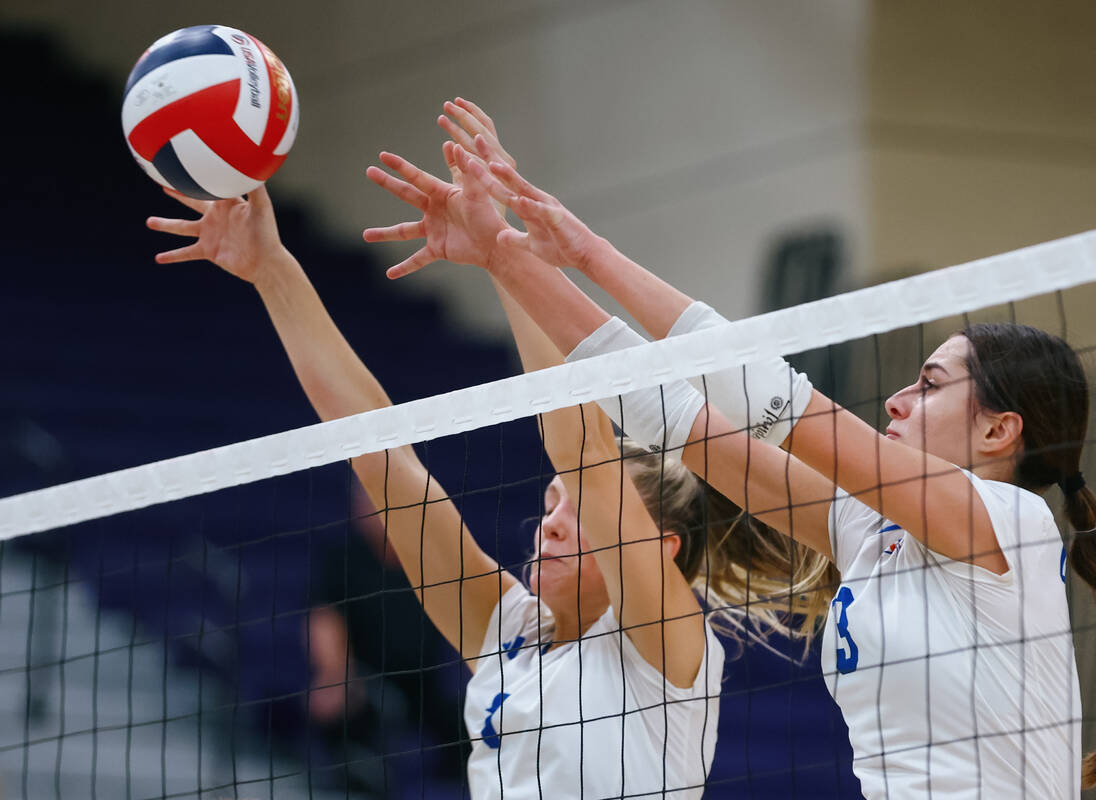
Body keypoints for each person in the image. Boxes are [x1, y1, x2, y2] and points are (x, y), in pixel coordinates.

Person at [370, 98, 1096, 798]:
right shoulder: (867, 531)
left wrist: (521, 252)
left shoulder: (1011, 522)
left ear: (1000, 431)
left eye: (931, 384)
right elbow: (670, 416)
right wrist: (547, 251)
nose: (900, 399)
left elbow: (774, 398)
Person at [145, 148, 820, 797]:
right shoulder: (508, 635)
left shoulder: (667, 647)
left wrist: (499, 253)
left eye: (575, 509)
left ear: (659, 550)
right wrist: (273, 270)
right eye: (551, 504)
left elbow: (583, 452)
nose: (549, 524)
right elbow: (379, 453)